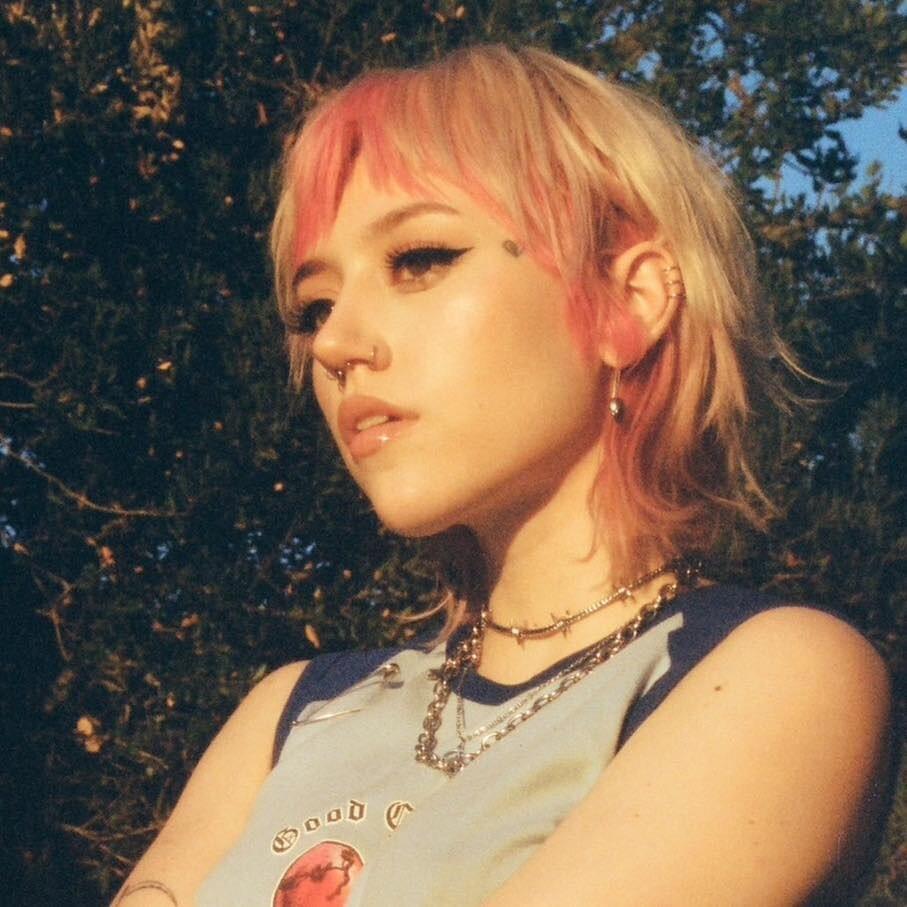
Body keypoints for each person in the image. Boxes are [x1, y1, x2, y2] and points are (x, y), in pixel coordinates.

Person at [114, 45, 891, 906]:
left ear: (629, 302)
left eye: (419, 259)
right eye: (315, 305)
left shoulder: (771, 674)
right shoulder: (289, 713)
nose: (333, 343)